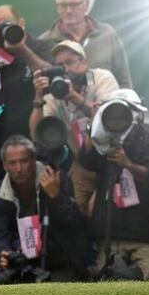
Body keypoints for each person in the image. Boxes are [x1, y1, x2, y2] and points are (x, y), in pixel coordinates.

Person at [0, 4, 53, 226]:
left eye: (7, 24)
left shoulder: (39, 45)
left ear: (22, 24)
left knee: (23, 197)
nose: (2, 29)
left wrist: (22, 50)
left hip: (25, 135)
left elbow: (51, 72)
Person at [77, 89, 149, 280]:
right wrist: (94, 122)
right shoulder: (102, 140)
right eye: (113, 113)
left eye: (125, 112)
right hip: (109, 233)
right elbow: (85, 160)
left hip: (144, 234)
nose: (119, 118)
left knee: (146, 291)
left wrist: (128, 164)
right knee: (107, 292)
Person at [29, 40, 119, 214]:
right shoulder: (56, 90)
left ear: (83, 62)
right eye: (60, 66)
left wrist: (73, 96)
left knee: (103, 212)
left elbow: (108, 118)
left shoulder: (101, 77)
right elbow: (35, 133)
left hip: (111, 156)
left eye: (69, 62)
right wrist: (38, 97)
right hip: (82, 162)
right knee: (76, 211)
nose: (66, 69)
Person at [0, 136, 88, 282]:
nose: (19, 169)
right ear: (4, 166)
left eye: (24, 161)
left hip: (61, 259)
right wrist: (3, 252)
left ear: (33, 161)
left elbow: (74, 223)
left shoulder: (56, 178)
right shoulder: (0, 195)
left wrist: (56, 196)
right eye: (12, 163)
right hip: (23, 262)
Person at [39, 0, 133, 89]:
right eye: (63, 5)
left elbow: (124, 80)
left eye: (74, 5)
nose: (68, 10)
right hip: (62, 104)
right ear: (57, 8)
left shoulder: (107, 34)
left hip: (106, 101)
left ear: (86, 5)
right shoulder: (45, 41)